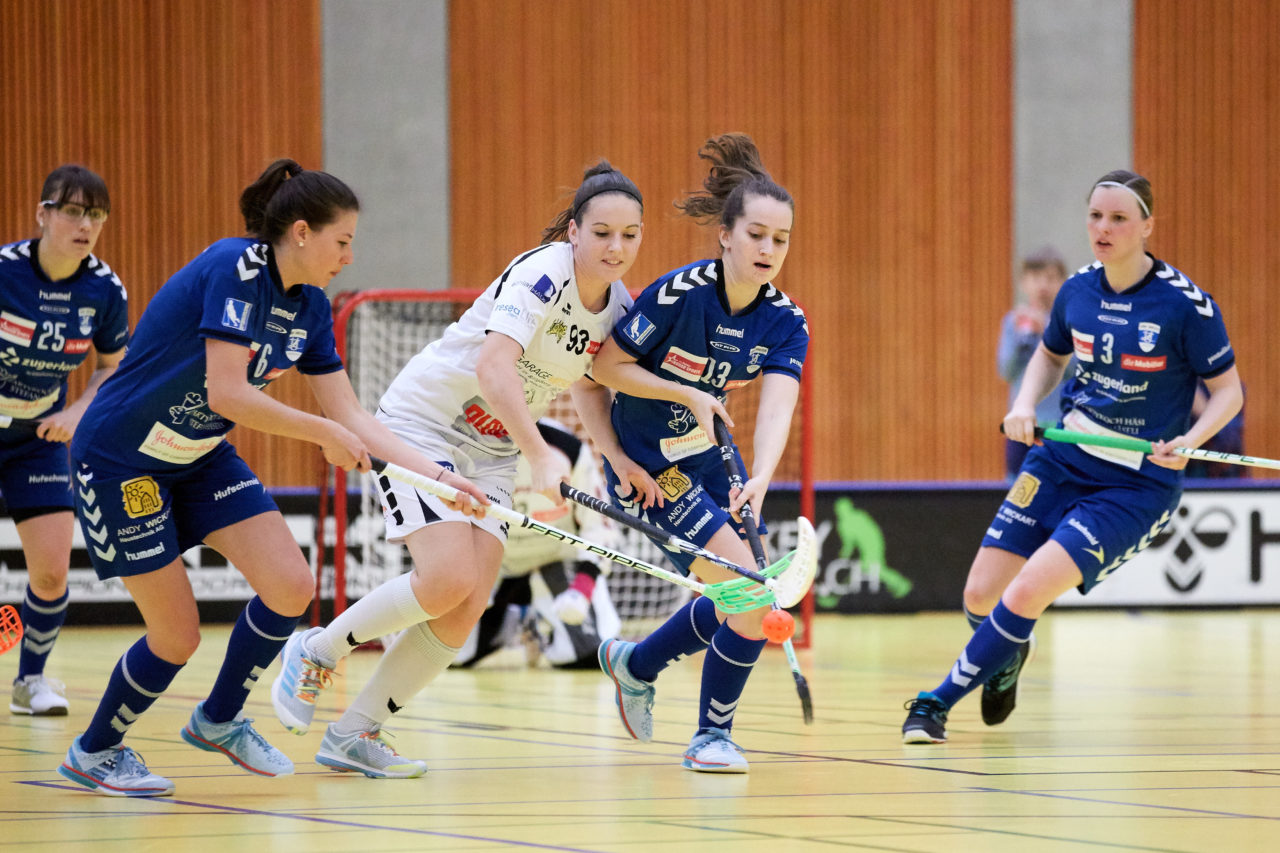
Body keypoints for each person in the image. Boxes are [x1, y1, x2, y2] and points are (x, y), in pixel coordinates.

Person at [55, 159, 487, 798]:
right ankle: (95, 751)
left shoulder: (310, 307)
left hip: (198, 455)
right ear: (303, 232)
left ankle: (218, 720)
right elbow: (227, 393)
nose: (348, 256)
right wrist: (322, 436)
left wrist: (440, 478)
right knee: (176, 635)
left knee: (290, 587)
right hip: (121, 458)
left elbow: (350, 415)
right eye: (342, 242)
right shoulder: (234, 268)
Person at [271, 160, 655, 778]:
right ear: (574, 232)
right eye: (603, 232)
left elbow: (591, 387)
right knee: (445, 576)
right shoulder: (544, 274)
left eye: (630, 234)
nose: (616, 247)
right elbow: (494, 371)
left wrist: (616, 458)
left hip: (493, 449)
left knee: (466, 601)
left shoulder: (616, 307)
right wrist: (541, 455)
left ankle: (354, 732)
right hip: (426, 424)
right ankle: (315, 651)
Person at [902, 170, 1244, 744]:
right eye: (1095, 217)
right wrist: (1024, 402)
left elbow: (1230, 393)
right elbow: (1049, 356)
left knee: (1029, 590)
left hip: (1135, 487)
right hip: (1062, 461)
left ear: (1147, 227)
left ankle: (935, 703)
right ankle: (1008, 656)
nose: (1103, 230)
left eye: (1118, 219)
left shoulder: (1187, 307)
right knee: (980, 594)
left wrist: (1191, 441)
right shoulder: (1077, 290)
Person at [587, 133, 808, 773]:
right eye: (757, 235)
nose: (768, 250)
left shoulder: (786, 321)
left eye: (781, 239)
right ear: (726, 236)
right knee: (749, 598)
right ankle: (711, 736)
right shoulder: (679, 294)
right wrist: (683, 388)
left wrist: (762, 476)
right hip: (650, 467)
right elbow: (606, 367)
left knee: (738, 591)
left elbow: (777, 401)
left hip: (712, 461)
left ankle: (637, 664)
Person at [1, 165, 130, 717]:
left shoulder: (105, 289)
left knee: (52, 571)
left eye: (96, 215)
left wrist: (78, 410)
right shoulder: (4, 271)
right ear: (43, 215)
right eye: (73, 211)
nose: (85, 225)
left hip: (38, 437)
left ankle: (30, 681)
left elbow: (111, 368)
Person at [452, 418, 621, 670]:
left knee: (591, 653)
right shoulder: (462, 451)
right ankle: (513, 618)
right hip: (496, 565)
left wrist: (582, 589)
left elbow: (598, 527)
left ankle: (546, 628)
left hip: (555, 560)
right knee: (447, 656)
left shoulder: (568, 449)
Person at [998, 247, 1070, 478]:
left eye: (1050, 278)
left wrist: (1047, 331)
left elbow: (1076, 368)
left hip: (1062, 426)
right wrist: (1022, 338)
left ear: (1062, 282)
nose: (1042, 286)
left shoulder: (1070, 322)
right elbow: (1005, 371)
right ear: (1023, 283)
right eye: (1035, 278)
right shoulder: (1013, 322)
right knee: (1016, 487)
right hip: (1021, 425)